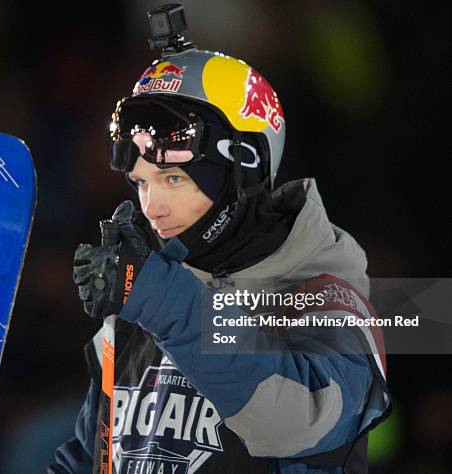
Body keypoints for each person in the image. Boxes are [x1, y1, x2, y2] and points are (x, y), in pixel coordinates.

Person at [49, 40, 391, 474]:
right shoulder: (146, 304)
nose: (152, 207)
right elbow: (91, 460)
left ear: (243, 170)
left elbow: (297, 421)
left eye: (173, 178)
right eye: (140, 183)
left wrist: (157, 297)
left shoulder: (326, 298)